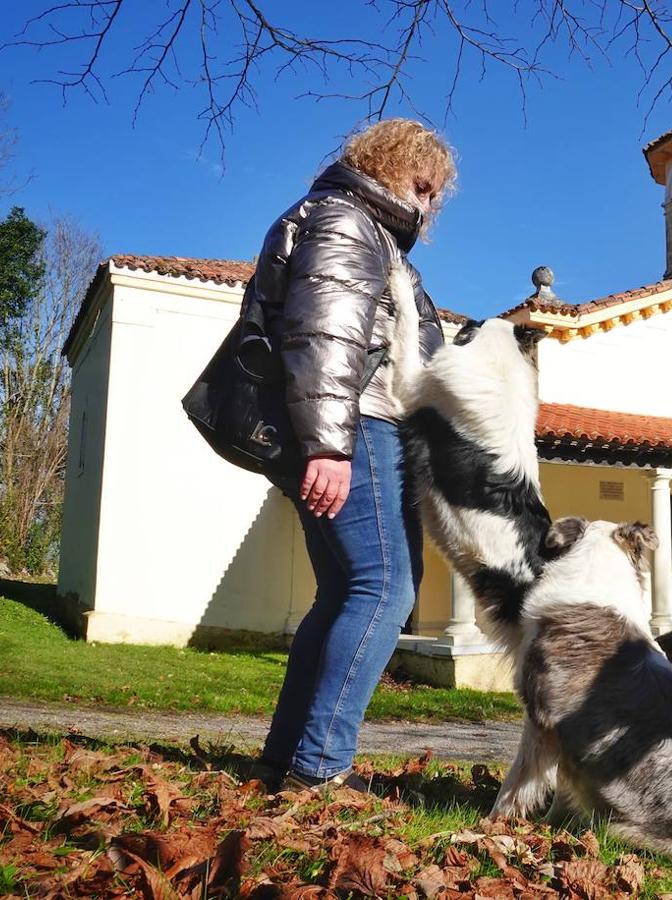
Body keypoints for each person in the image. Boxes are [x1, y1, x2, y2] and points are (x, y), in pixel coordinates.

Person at [247, 119, 457, 791]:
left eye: (435, 194)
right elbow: (326, 334)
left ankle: (285, 759)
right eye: (419, 185)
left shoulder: (371, 235)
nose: (426, 205)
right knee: (385, 587)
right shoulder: (347, 221)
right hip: (357, 427)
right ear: (384, 165)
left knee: (343, 591)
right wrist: (328, 446)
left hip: (354, 426)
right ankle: (321, 769)